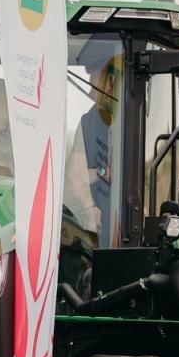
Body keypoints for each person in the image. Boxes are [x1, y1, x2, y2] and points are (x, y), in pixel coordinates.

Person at [65, 50, 122, 246]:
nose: (91, 90)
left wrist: (94, 173)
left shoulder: (140, 120)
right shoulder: (88, 122)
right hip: (95, 220)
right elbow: (75, 176)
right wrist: (90, 210)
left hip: (129, 219)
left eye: (96, 80)